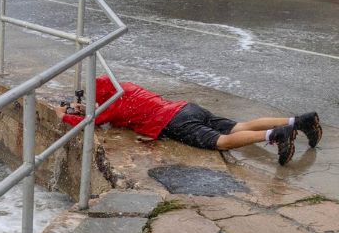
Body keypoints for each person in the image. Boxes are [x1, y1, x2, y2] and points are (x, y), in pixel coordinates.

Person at [55, 76, 323, 166]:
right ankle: (300, 120)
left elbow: (89, 121)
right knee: (238, 125)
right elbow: (110, 107)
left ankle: (275, 136)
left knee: (222, 142)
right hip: (186, 108)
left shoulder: (111, 107)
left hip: (173, 122)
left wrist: (64, 114)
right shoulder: (125, 88)